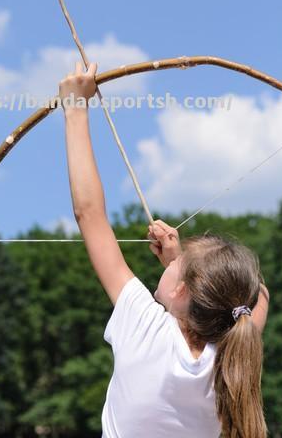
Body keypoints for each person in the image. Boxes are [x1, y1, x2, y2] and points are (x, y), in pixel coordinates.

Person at [59, 61, 270, 438]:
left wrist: (75, 110)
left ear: (182, 290)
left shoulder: (146, 326)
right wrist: (181, 267)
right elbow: (256, 296)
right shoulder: (232, 357)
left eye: (178, 262)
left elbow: (88, 213)